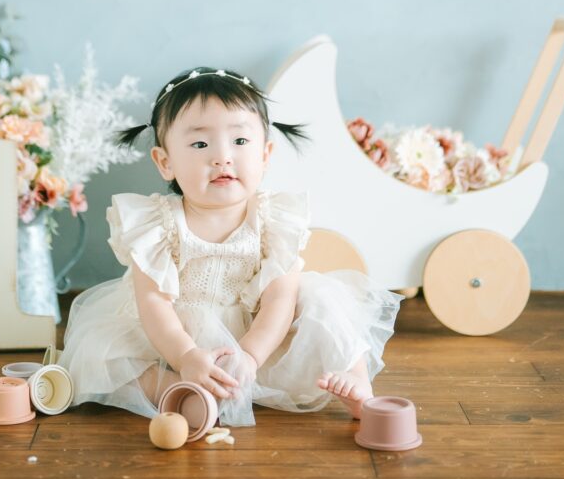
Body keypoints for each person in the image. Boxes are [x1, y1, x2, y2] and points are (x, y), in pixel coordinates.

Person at [59, 66, 403, 426]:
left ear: (265, 155)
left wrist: (251, 356)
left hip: (261, 338)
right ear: (165, 162)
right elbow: (153, 304)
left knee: (323, 299)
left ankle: (356, 381)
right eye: (200, 144)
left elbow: (280, 299)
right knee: (99, 353)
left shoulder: (275, 220)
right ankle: (176, 389)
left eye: (239, 141)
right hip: (175, 339)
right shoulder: (155, 226)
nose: (222, 157)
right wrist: (185, 357)